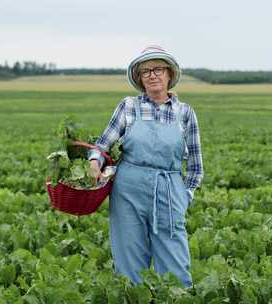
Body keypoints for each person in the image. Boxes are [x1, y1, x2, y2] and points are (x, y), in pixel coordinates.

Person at [88, 45, 203, 287]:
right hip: (128, 189)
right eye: (145, 71)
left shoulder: (185, 113)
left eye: (158, 68)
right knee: (129, 260)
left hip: (169, 190)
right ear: (140, 79)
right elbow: (103, 144)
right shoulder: (128, 106)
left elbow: (195, 165)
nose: (152, 75)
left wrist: (185, 196)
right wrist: (93, 162)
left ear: (169, 74)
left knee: (175, 264)